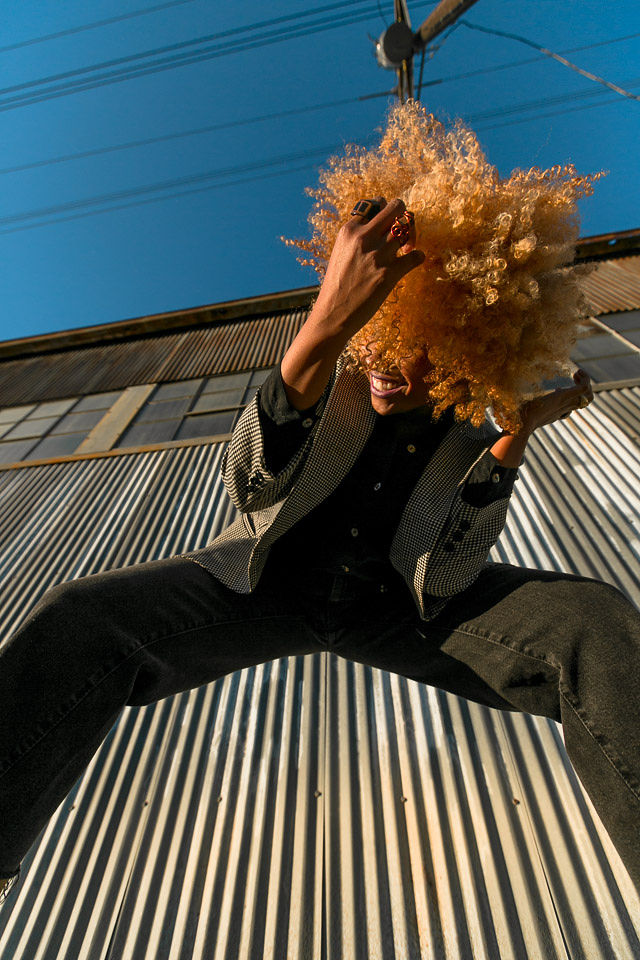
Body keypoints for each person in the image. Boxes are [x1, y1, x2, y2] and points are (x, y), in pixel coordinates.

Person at [1, 197, 639, 913]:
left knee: (591, 618)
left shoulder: (462, 437)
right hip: (262, 587)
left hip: (394, 611)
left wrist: (511, 438)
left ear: (468, 344)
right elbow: (248, 488)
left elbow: (452, 573)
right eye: (388, 328)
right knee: (78, 618)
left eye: (425, 338)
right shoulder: (328, 379)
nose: (395, 359)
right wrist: (327, 326)